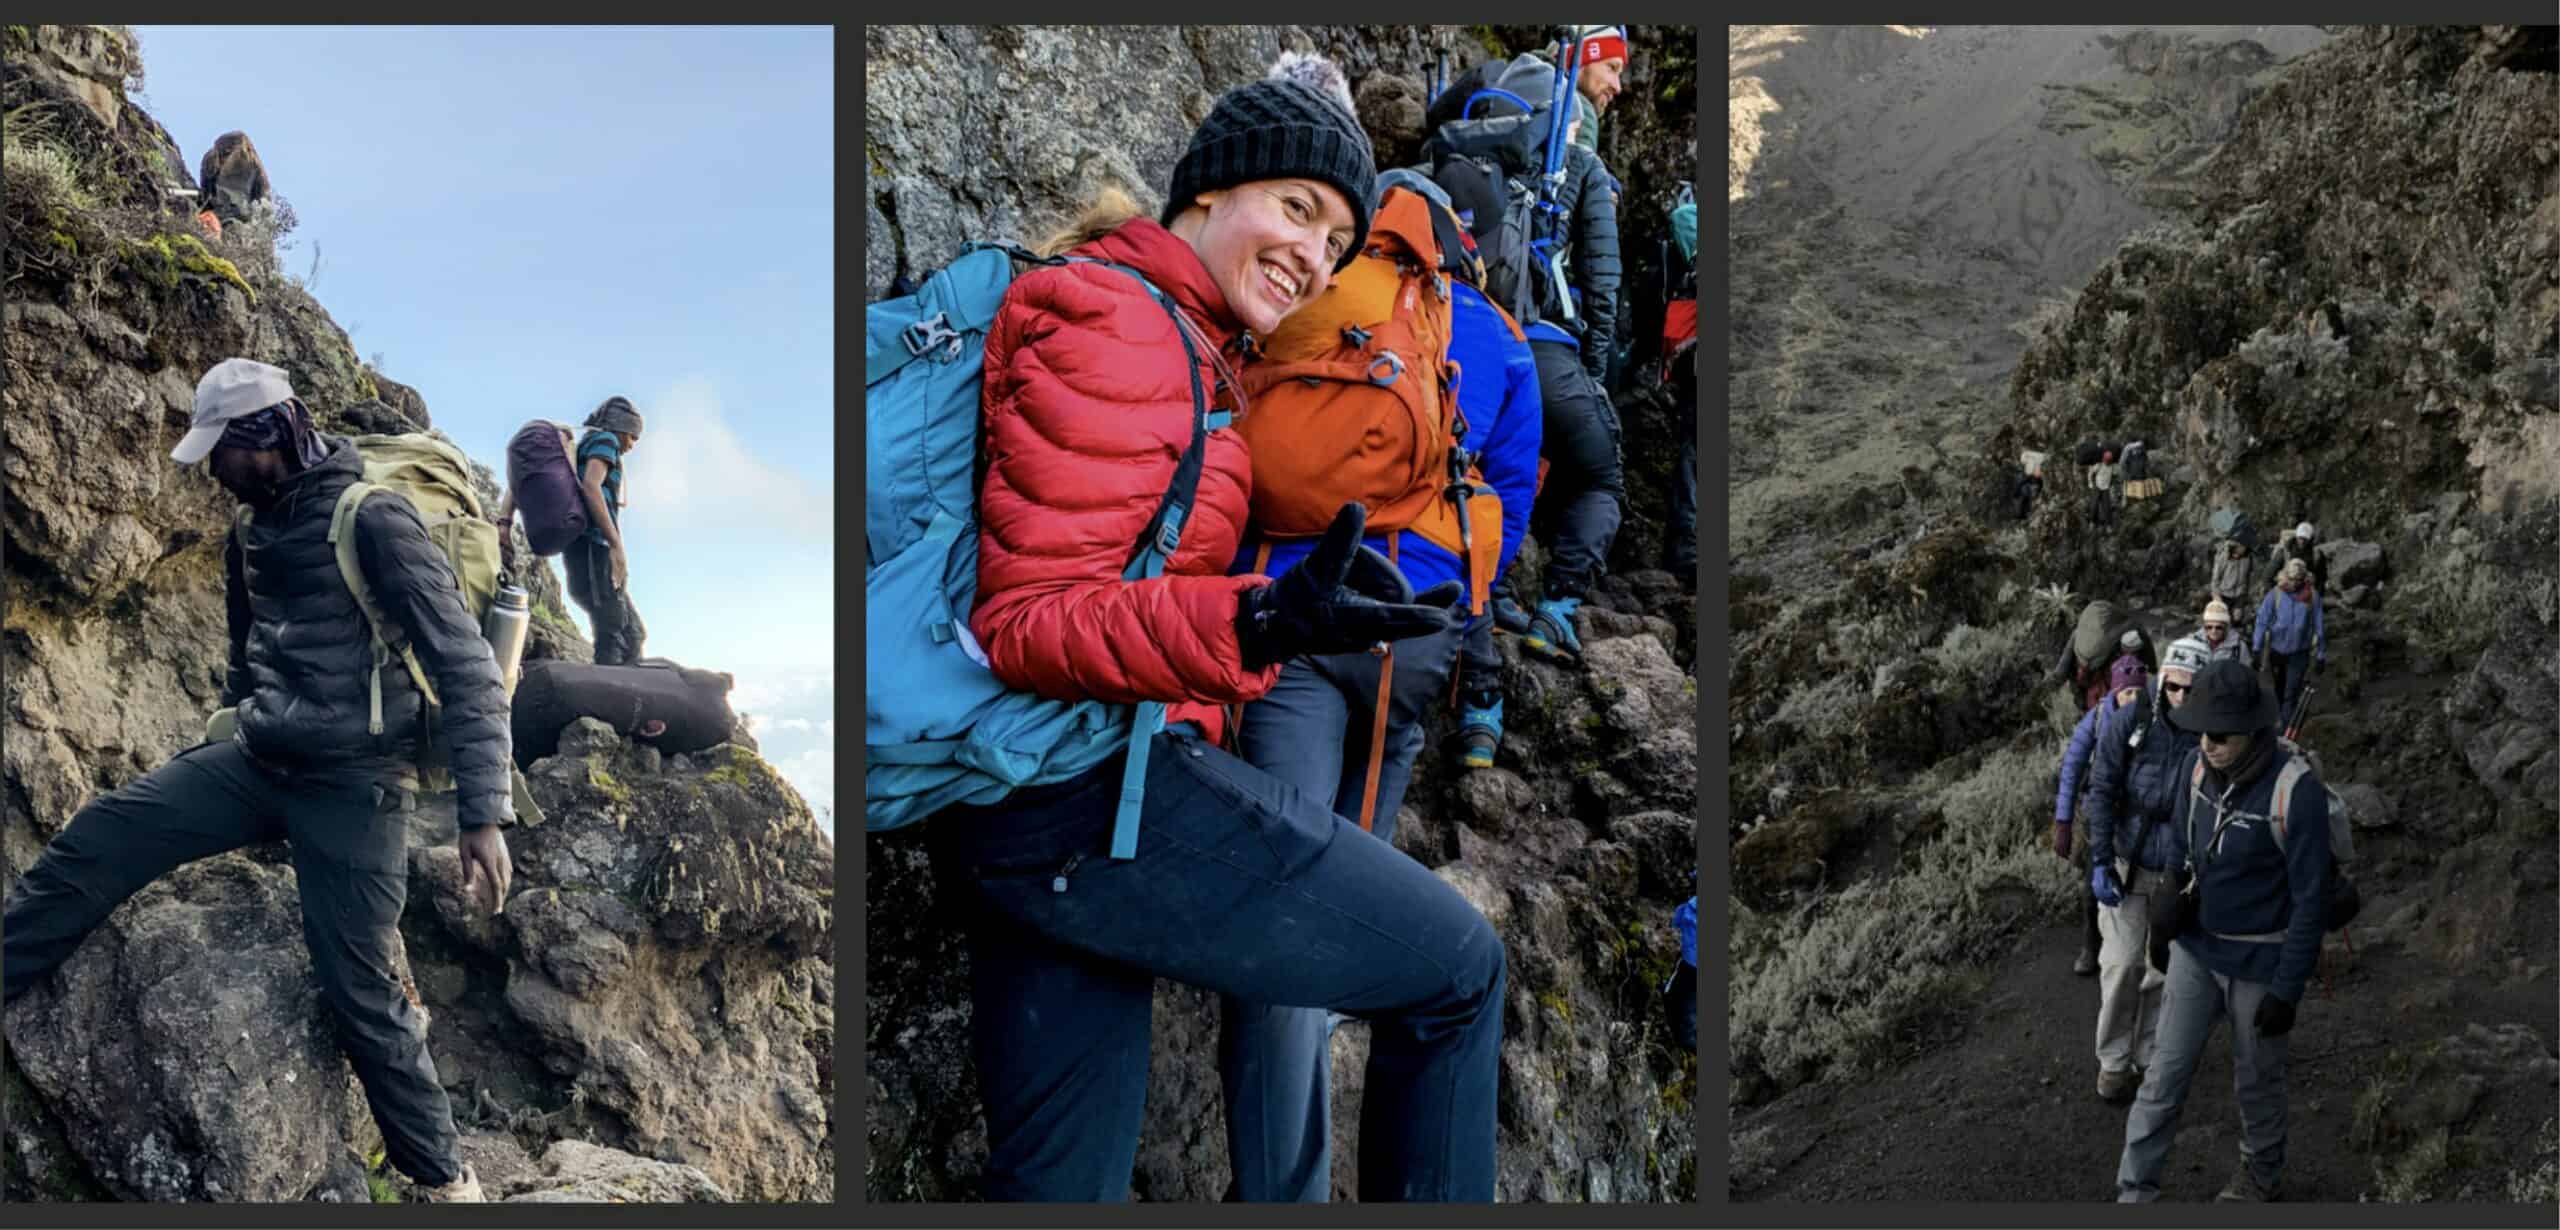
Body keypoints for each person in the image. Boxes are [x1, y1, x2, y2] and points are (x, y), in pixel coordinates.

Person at [932, 62, 1504, 1203]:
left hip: (1030, 816)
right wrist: (1258, 620)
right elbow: (1028, 617)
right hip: (1093, 800)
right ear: (1205, 192)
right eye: (1295, 208)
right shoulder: (1119, 319)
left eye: (1336, 236)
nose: (1312, 252)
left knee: (1059, 1185)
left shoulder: (1182, 338)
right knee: (1457, 972)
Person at [1, 358, 511, 1203]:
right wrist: (235, 725)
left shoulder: (374, 519)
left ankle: (445, 1183)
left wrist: (483, 813)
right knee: (104, 835)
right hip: (260, 762)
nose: (210, 473)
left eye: (219, 455)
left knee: (359, 994)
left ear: (268, 437)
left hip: (353, 783)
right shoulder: (252, 528)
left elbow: (468, 669)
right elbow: (250, 655)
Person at [1218, 151, 1529, 1199]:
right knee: (1345, 894)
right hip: (1415, 635)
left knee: (1283, 907)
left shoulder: (1321, 288)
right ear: (1470, 243)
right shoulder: (1496, 339)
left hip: (1290, 616)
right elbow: (1514, 493)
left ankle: (1283, 1183)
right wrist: (1461, 607)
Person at [2118, 657, 2330, 1203]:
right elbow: (2185, 857)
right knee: (2162, 1079)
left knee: (2257, 1083)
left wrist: (2287, 990)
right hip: (2197, 954)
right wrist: (2167, 924)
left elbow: (2311, 899)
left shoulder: (2295, 792)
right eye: (2200, 731)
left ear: (2253, 731)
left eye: (2219, 735)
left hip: (2260, 965)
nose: (2207, 744)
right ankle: (2134, 1191)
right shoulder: (2195, 769)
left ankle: (2260, 1178)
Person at [1514, 27, 1628, 663]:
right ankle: (1554, 609)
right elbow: (1602, 283)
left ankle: (1486, 609)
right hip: (1548, 350)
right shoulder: (1579, 164)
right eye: (1610, 69)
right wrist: (1593, 375)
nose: (1617, 86)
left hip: (1468, 344)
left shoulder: (1490, 147)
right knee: (1602, 477)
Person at [2083, 637, 2212, 1103]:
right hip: (2126, 858)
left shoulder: (2208, 732)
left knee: (2161, 971)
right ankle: (2114, 1061)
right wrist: (2099, 860)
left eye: (2190, 691)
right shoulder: (2130, 720)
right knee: (2120, 965)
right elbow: (2101, 788)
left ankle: (2149, 1054)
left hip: (2175, 869)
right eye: (2174, 688)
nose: (2180, 698)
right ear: (2163, 681)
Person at [2056, 654, 2149, 976]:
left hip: (2139, 812)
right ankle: (2091, 944)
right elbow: (2071, 768)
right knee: (2094, 875)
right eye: (2128, 693)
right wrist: (2063, 821)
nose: (2133, 700)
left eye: (2139, 693)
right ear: (2115, 691)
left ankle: (2136, 944)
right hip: (2100, 808)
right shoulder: (2096, 720)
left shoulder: (2154, 720)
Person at [564, 396, 646, 666]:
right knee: (613, 633)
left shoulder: (595, 440)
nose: (632, 445)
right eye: (633, 436)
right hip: (594, 546)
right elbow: (591, 485)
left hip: (592, 548)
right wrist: (615, 545)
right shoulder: (606, 440)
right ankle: (610, 699)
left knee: (633, 633)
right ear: (621, 427)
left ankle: (626, 698)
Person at [2252, 558, 2326, 718]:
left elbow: (2319, 626)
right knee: (2279, 688)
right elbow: (2262, 621)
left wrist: (2321, 655)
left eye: (2298, 580)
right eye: (2291, 579)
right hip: (2277, 651)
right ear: (2286, 575)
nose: (2294, 583)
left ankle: (2286, 727)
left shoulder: (2312, 597)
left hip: (2300, 652)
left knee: (2291, 692)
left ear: (2304, 578)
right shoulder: (2275, 594)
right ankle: (2280, 717)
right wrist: (2256, 649)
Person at [196, 130, 271, 227]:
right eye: (219, 153)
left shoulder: (253, 168)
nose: (221, 159)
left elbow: (261, 207)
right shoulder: (210, 160)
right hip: (214, 210)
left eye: (227, 153)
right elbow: (205, 192)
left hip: (241, 217)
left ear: (240, 150)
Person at [2268, 522, 2326, 594]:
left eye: (2305, 538)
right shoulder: (2284, 553)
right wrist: (2275, 595)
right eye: (2300, 537)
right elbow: (2268, 577)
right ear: (2296, 536)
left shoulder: (2316, 555)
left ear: (2311, 539)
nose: (2302, 541)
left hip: (2306, 595)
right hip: (2285, 593)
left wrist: (2317, 597)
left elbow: (2321, 579)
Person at [2196, 599, 2245, 664]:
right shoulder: (2193, 642)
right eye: (2209, 627)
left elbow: (2245, 671)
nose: (2213, 631)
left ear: (2226, 627)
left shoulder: (2239, 647)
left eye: (2219, 627)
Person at [2210, 539, 2252, 615]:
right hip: (2224, 593)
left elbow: (2247, 577)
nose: (2244, 548)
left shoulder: (2247, 558)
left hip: (2239, 594)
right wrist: (2216, 594)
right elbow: (2215, 577)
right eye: (2242, 546)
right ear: (2237, 545)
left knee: (2237, 616)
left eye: (2245, 546)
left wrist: (2244, 594)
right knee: (2223, 616)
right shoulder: (2224, 556)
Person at [2089, 449, 2119, 528]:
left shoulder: (2112, 467)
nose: (2107, 461)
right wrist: (2090, 483)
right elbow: (2090, 473)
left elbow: (2116, 475)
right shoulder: (2098, 465)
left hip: (2106, 488)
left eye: (2108, 460)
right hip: (2097, 487)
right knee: (2094, 505)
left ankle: (2108, 525)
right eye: (2106, 460)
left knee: (2107, 507)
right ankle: (2092, 522)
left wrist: (2112, 483)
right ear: (2103, 459)